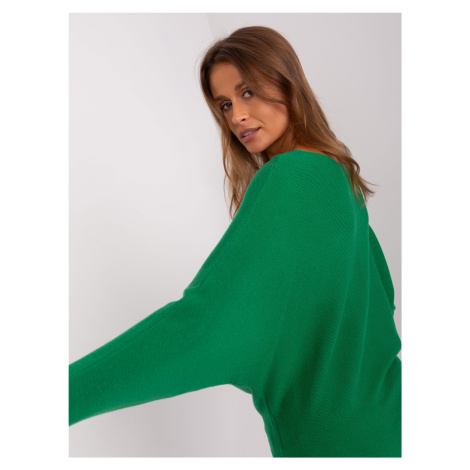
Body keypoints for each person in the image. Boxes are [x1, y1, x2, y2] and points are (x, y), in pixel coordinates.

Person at [69, 26, 401, 458]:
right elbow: (381, 302)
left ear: (287, 83)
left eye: (248, 92)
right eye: (225, 104)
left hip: (339, 442)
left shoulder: (292, 175)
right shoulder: (339, 178)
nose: (237, 116)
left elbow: (207, 326)